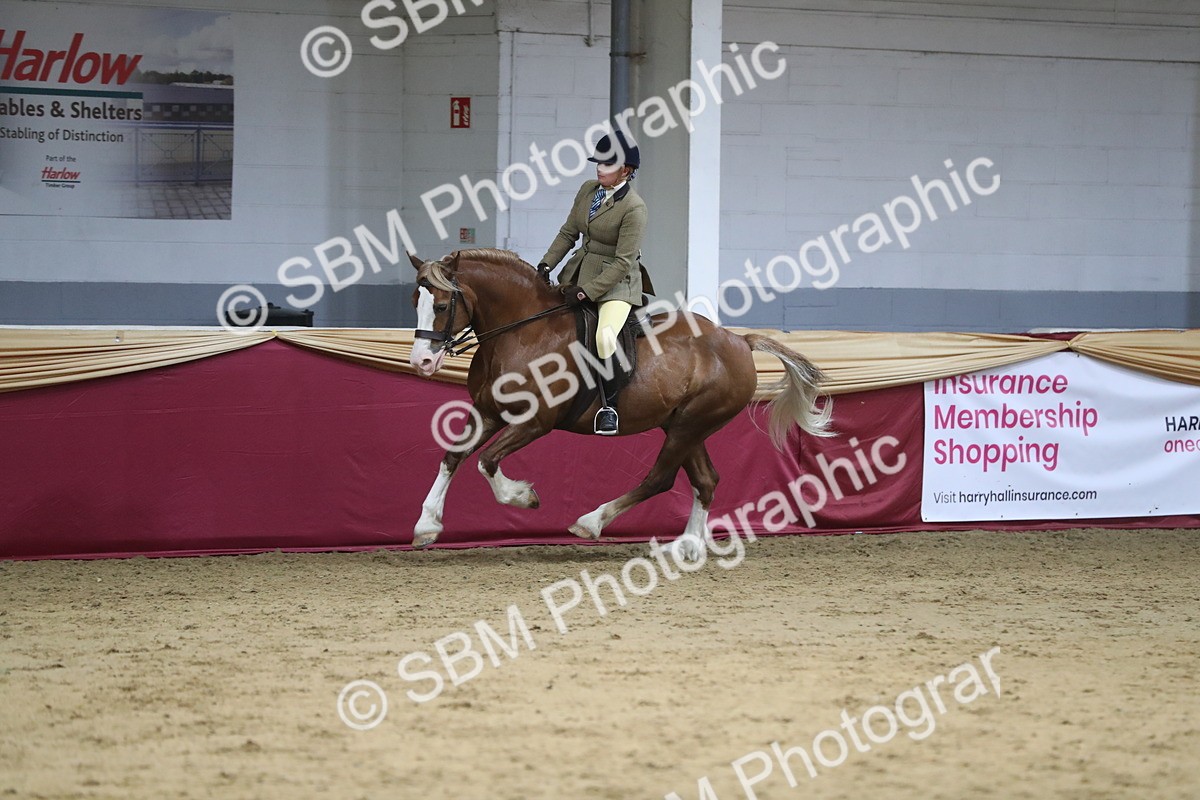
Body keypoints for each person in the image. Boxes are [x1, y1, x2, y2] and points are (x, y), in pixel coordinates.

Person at [537, 130, 647, 435]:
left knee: (604, 338)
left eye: (607, 164)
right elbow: (568, 232)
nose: (599, 168)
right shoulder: (588, 190)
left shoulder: (634, 208)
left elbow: (624, 261)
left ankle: (608, 407)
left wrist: (588, 291)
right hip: (579, 271)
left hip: (616, 284)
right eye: (598, 163)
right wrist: (547, 263)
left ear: (625, 170)